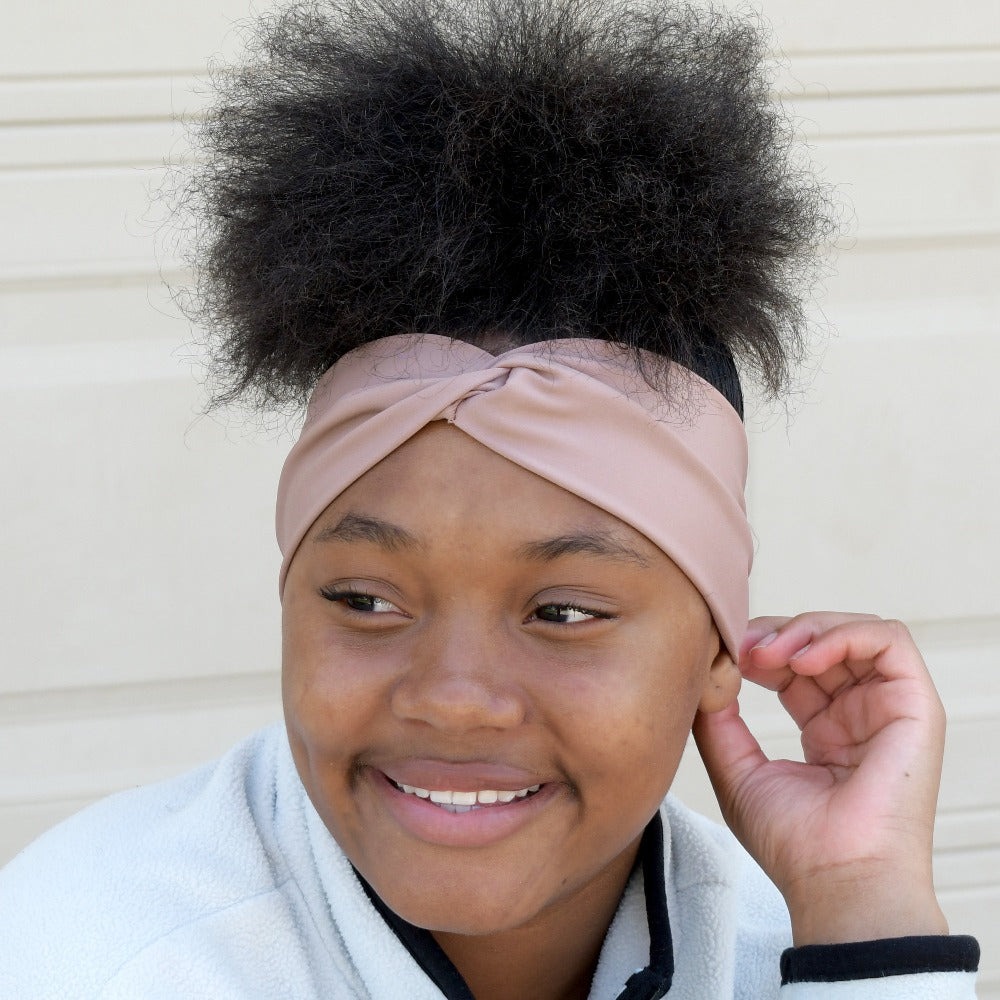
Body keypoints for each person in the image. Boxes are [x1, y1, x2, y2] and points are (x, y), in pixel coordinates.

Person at [0, 0, 981, 997]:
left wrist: (864, 912)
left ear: (719, 656)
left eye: (562, 610)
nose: (452, 695)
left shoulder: (802, 946)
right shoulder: (85, 954)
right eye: (363, 600)